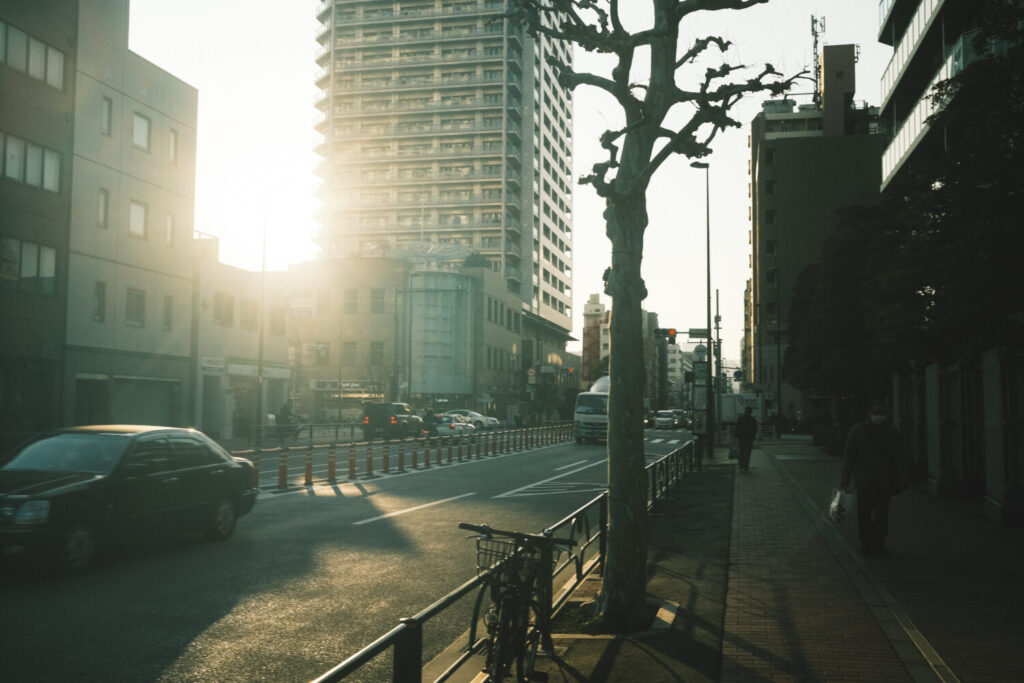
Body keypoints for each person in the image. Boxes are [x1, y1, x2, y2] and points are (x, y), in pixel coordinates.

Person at [840, 400, 904, 556]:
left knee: (882, 514)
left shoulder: (892, 432)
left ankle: (879, 543)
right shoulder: (857, 431)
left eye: (881, 413)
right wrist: (845, 480)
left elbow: (899, 458)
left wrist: (901, 480)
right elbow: (849, 457)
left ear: (886, 414)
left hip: (884, 480)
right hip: (865, 480)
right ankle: (866, 543)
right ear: (869, 414)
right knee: (865, 513)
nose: (878, 416)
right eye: (875, 413)